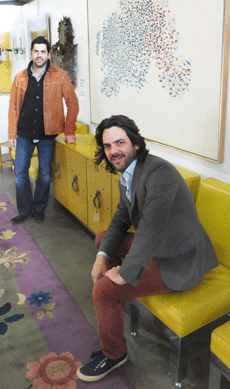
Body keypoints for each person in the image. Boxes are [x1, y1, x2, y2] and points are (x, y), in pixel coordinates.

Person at [77, 114, 219, 382]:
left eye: (120, 143)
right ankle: (119, 302)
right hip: (157, 247)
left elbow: (151, 227)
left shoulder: (159, 172)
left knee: (103, 292)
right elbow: (121, 218)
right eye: (107, 146)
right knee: (103, 240)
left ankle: (114, 353)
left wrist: (124, 273)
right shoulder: (128, 173)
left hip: (178, 260)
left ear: (136, 144)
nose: (113, 151)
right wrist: (101, 256)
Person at [8, 36, 79, 223]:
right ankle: (25, 210)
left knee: (45, 175)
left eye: (42, 52)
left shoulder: (60, 76)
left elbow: (72, 103)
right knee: (19, 176)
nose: (39, 55)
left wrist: (70, 131)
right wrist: (11, 134)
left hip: (48, 135)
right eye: (36, 51)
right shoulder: (20, 77)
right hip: (24, 134)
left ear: (48, 54)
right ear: (31, 53)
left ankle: (39, 208)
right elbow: (13, 106)